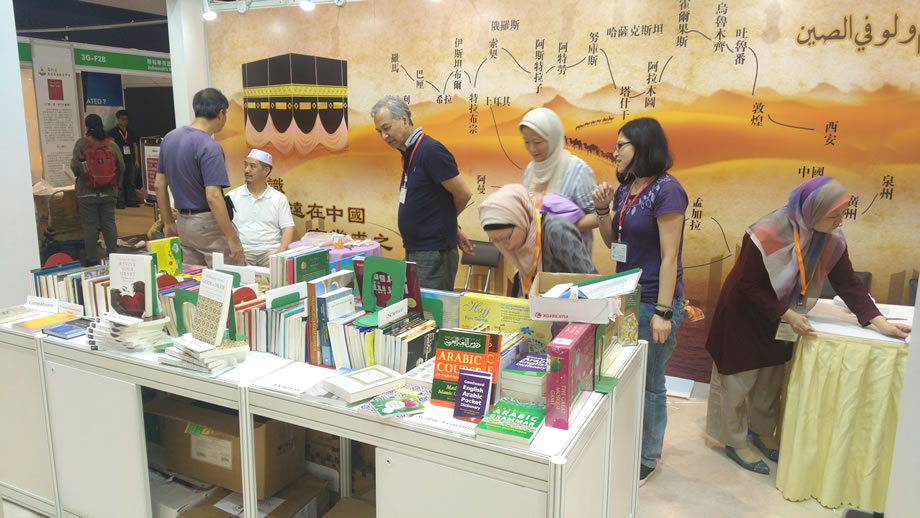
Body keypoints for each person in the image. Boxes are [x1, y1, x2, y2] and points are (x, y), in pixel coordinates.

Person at [704, 177, 910, 475]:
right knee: (737, 381)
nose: (841, 221)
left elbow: (848, 283)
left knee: (770, 379)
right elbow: (747, 285)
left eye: (843, 213)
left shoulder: (831, 238)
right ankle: (734, 441)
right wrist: (786, 313)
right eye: (834, 215)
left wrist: (879, 322)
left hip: (783, 316)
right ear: (813, 210)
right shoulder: (767, 232)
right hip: (744, 314)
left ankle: (761, 431)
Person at [592, 117, 688, 486]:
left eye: (621, 145)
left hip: (652, 301)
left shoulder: (668, 190)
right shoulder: (627, 188)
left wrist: (663, 311)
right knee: (625, 377)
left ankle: (647, 457)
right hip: (625, 297)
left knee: (650, 383)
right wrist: (604, 210)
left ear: (642, 146)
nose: (614, 152)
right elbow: (612, 243)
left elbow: (669, 256)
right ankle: (628, 443)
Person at [371, 95, 474, 290]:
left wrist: (448, 225)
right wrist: (452, 227)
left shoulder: (430, 151)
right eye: (379, 132)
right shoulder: (409, 153)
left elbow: (463, 195)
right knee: (416, 306)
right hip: (417, 248)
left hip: (433, 252)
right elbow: (434, 202)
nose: (384, 136)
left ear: (404, 119)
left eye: (387, 128)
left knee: (429, 307)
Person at [155, 88, 245, 267]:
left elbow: (159, 185)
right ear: (221, 113)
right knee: (230, 276)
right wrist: (232, 237)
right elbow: (213, 196)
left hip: (183, 223)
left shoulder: (169, 139)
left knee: (194, 276)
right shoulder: (210, 146)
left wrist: (169, 222)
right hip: (208, 224)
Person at [479, 184, 597, 297]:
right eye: (495, 240)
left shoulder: (557, 231)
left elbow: (592, 282)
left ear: (521, 220)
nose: (504, 246)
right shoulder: (521, 239)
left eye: (506, 237)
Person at [520, 108, 598, 243]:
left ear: (553, 138)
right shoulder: (531, 169)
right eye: (526, 142)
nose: (532, 148)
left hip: (568, 250)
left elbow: (598, 216)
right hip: (535, 250)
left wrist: (561, 226)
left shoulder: (577, 169)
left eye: (537, 142)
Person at [71, 113, 125, 266]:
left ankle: (92, 259)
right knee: (109, 223)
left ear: (87, 126)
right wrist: (114, 183)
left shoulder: (81, 144)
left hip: (86, 193)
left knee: (90, 225)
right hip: (109, 192)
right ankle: (113, 256)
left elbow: (75, 168)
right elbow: (122, 167)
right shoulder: (112, 145)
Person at [227, 149, 295, 267]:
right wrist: (235, 249)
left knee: (281, 270)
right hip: (242, 251)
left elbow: (288, 228)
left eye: (252, 166)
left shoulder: (278, 198)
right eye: (246, 165)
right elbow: (223, 227)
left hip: (271, 251)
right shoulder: (232, 196)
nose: (246, 170)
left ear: (265, 171)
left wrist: (280, 253)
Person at [108, 109, 140, 209]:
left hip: (130, 159)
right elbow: (111, 147)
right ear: (118, 119)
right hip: (119, 160)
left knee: (131, 181)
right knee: (119, 182)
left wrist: (137, 160)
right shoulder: (113, 132)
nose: (125, 121)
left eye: (126, 119)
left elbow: (135, 146)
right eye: (122, 119)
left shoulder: (131, 132)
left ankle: (132, 200)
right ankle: (120, 202)